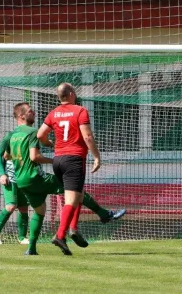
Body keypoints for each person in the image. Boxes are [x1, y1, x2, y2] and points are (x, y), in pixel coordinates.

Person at [3, 103, 125, 254]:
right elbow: (34, 157)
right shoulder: (32, 133)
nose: (34, 112)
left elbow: (6, 156)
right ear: (22, 116)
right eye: (30, 111)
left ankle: (31, 249)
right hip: (36, 177)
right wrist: (52, 160)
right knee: (75, 191)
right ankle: (101, 215)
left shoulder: (12, 135)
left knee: (40, 211)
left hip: (21, 181)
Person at [37, 83, 109, 254]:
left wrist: (49, 143)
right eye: (74, 92)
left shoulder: (54, 113)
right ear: (70, 94)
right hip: (74, 159)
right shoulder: (80, 111)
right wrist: (97, 156)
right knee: (71, 199)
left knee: (78, 194)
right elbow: (88, 136)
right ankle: (60, 235)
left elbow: (40, 135)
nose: (75, 94)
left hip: (58, 160)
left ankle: (74, 229)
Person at [0, 135, 29, 245]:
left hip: (23, 179)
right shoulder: (10, 136)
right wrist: (2, 174)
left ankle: (22, 237)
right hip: (10, 179)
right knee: (11, 206)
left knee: (23, 208)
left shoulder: (30, 136)